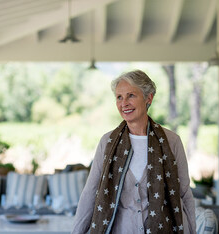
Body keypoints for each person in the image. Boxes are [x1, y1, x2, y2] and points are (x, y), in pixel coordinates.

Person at [72, 70, 196, 234]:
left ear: (148, 98)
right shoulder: (107, 142)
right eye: (119, 97)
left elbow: (184, 194)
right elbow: (90, 192)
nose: (124, 103)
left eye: (131, 95)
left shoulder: (172, 141)